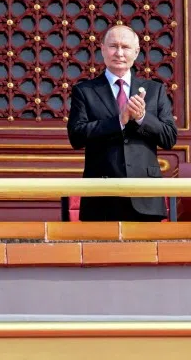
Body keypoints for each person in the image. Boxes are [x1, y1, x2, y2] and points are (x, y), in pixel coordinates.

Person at [67, 25, 177, 221]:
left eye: (125, 47)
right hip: (102, 195)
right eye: (113, 46)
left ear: (136, 52)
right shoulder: (85, 91)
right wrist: (118, 121)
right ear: (102, 49)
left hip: (145, 195)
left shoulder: (154, 90)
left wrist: (142, 117)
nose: (119, 53)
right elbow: (76, 136)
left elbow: (169, 137)